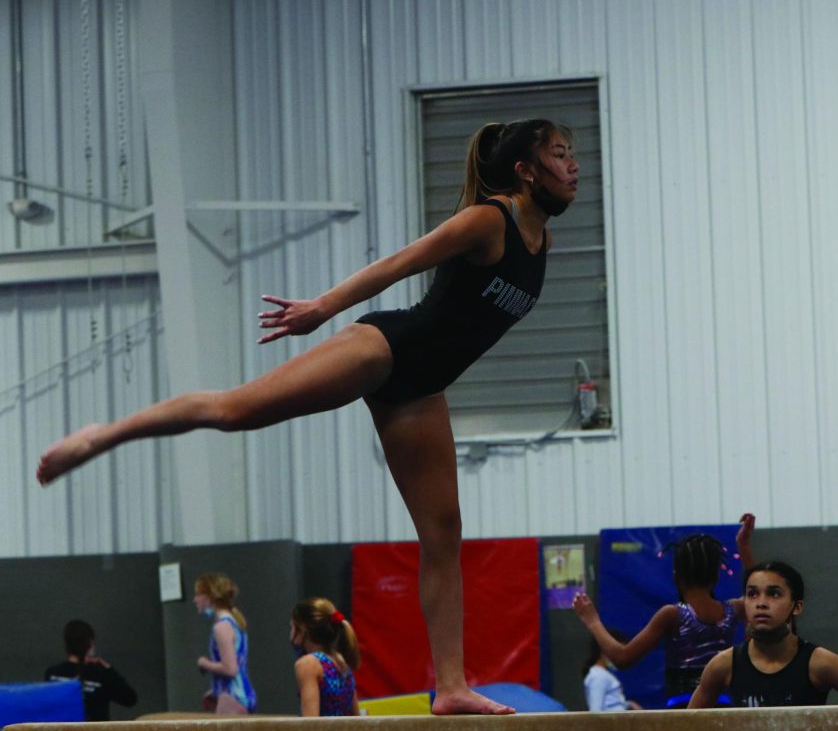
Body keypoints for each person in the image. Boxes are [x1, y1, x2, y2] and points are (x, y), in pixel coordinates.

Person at [35, 118, 579, 715]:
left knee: (444, 533)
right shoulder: (489, 219)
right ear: (525, 170)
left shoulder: (541, 243)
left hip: (423, 391)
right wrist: (322, 307)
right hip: (385, 349)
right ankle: (101, 435)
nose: (573, 165)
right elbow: (399, 263)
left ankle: (449, 687)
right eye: (559, 154)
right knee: (234, 410)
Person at [572, 513, 757, 708]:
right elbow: (757, 591)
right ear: (716, 576)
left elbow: (622, 658)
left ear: (677, 575)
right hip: (723, 707)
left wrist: (592, 621)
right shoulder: (732, 609)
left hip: (682, 708)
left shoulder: (672, 614)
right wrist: (743, 545)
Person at [688, 561, 838, 708]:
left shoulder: (821, 664)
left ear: (797, 607)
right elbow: (683, 725)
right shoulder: (723, 665)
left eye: (774, 593)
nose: (761, 603)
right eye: (752, 594)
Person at [44, 619, 137, 721]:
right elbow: (130, 699)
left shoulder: (52, 674)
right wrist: (109, 669)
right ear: (90, 643)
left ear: (67, 645)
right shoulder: (102, 674)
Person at [193, 572, 257, 714]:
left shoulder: (222, 627)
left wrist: (203, 663)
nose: (195, 599)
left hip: (233, 697)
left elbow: (230, 669)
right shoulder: (234, 623)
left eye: (198, 595)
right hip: (237, 694)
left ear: (209, 598)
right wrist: (215, 691)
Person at [290, 597, 360, 717]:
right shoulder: (341, 660)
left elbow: (311, 723)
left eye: (291, 627)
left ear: (302, 629)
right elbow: (356, 719)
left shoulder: (308, 664)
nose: (290, 633)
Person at [581, 634, 641, 711]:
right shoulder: (598, 676)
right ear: (604, 651)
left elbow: (612, 701)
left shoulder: (602, 674)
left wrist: (628, 704)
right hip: (611, 722)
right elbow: (595, 710)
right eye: (618, 653)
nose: (620, 658)